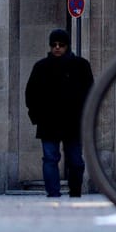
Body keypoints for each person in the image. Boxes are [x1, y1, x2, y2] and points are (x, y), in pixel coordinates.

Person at [24, 28, 92, 198]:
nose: (57, 48)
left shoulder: (81, 66)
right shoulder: (41, 67)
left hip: (73, 122)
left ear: (67, 46)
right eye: (54, 45)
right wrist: (36, 116)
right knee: (50, 159)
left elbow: (91, 92)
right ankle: (53, 193)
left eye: (61, 45)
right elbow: (30, 93)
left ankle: (75, 191)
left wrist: (85, 115)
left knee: (76, 161)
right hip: (49, 122)